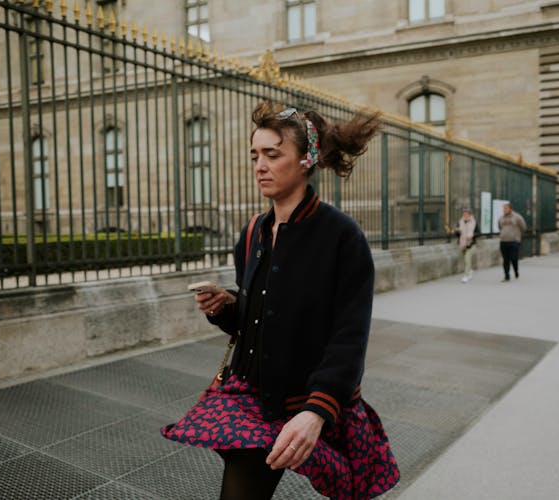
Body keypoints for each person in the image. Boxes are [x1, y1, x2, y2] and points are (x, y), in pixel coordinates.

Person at [161, 103, 400, 500]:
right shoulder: (253, 231)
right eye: (255, 155)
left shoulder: (342, 236)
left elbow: (349, 339)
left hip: (304, 402)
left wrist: (315, 412)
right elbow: (259, 318)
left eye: (273, 154)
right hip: (249, 401)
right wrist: (229, 307)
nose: (260, 165)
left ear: (306, 160)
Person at [497, 203, 527, 282]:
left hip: (514, 241)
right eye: (504, 209)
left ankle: (516, 271)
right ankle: (507, 276)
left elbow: (523, 227)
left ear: (510, 209)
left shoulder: (517, 217)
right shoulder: (501, 218)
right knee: (505, 259)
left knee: (514, 258)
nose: (504, 210)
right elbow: (500, 227)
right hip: (503, 241)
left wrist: (518, 236)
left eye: (506, 208)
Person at [455, 208, 477, 283]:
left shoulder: (474, 222)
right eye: (464, 213)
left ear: (470, 214)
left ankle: (465, 276)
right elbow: (457, 234)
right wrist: (458, 232)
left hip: (471, 244)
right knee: (465, 260)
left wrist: (471, 235)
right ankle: (470, 270)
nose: (465, 215)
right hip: (462, 243)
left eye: (467, 213)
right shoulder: (460, 222)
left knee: (467, 259)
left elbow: (478, 232)